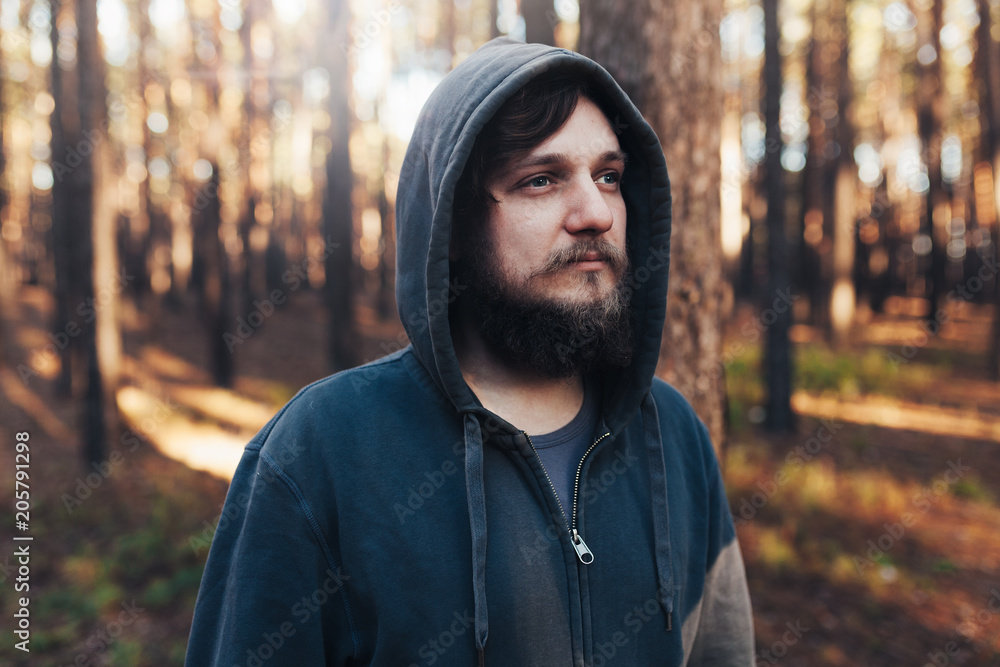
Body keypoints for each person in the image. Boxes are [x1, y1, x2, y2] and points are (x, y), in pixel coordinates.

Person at [185, 37, 754, 666]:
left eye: (608, 177)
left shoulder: (673, 434)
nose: (595, 212)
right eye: (541, 180)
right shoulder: (320, 451)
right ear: (451, 227)